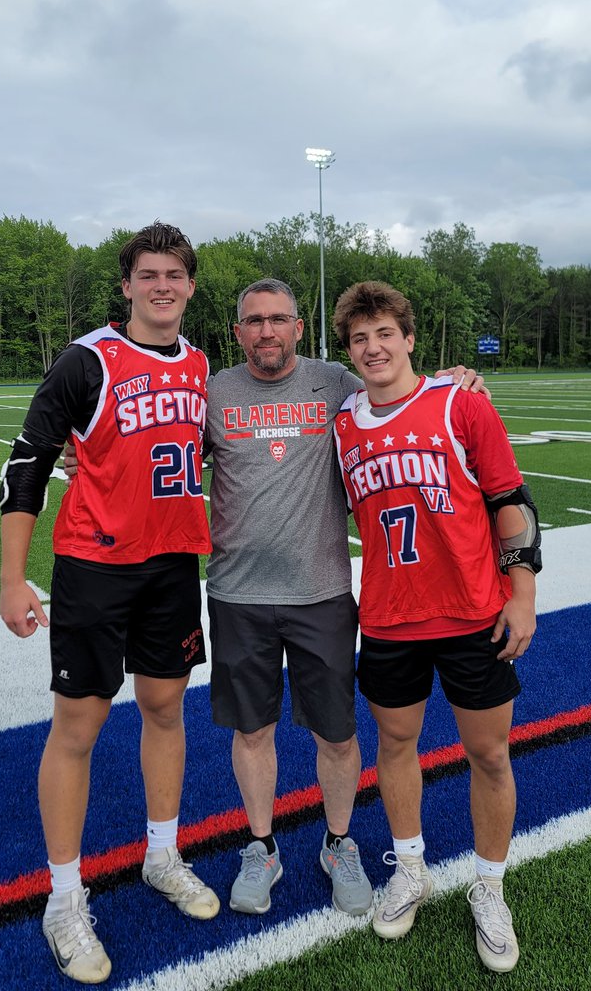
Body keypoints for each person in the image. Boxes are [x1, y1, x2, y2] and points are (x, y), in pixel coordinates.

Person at [204, 278, 487, 919]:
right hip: (237, 593)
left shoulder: (337, 382)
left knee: (336, 734)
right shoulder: (212, 392)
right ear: (238, 330)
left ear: (300, 327)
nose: (267, 331)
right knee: (253, 730)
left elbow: (401, 387)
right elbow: (158, 453)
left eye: (279, 319)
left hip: (322, 592)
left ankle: (339, 843)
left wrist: (458, 378)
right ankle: (261, 846)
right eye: (254, 321)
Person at [0, 222, 219, 986]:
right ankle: (64, 896)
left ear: (191, 286)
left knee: (166, 705)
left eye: (175, 274)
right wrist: (10, 577)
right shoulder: (86, 360)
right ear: (127, 286)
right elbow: (26, 464)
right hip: (95, 566)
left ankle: (162, 853)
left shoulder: (200, 363)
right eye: (147, 274)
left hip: (171, 568)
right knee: (79, 724)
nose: (162, 285)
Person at [331, 281, 541, 974]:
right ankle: (412, 868)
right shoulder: (343, 425)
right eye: (360, 337)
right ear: (350, 349)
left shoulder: (460, 402)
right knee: (396, 744)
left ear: (410, 338)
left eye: (385, 332)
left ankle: (488, 883)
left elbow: (512, 503)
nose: (373, 347)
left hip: (475, 613)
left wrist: (523, 597)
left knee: (488, 753)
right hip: (390, 617)